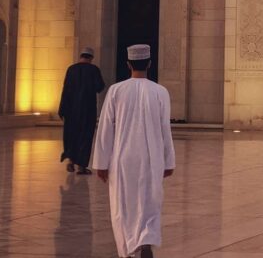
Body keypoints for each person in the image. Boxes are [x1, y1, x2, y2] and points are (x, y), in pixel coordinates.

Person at [93, 44, 175, 258]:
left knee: (123, 204)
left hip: (122, 157)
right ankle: (146, 240)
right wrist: (168, 162)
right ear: (149, 64)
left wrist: (101, 163)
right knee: (150, 201)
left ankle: (128, 249)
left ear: (128, 64)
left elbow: (105, 128)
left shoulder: (116, 90)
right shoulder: (160, 91)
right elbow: (165, 128)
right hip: (152, 157)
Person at [58, 47, 105, 175]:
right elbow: (100, 86)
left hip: (71, 109)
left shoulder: (71, 69)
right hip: (87, 109)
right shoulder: (93, 70)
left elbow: (65, 89)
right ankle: (82, 166)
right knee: (85, 135)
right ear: (90, 58)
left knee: (71, 135)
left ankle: (70, 161)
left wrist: (61, 109)